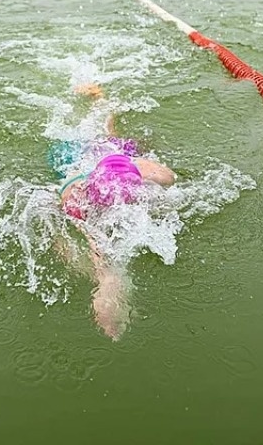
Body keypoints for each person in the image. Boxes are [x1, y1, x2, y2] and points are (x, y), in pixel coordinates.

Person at [54, 83, 175, 339]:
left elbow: (171, 180)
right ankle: (95, 98)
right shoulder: (75, 196)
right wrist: (108, 283)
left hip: (120, 156)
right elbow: (95, 252)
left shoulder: (147, 170)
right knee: (68, 250)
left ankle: (101, 96)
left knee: (110, 130)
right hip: (78, 157)